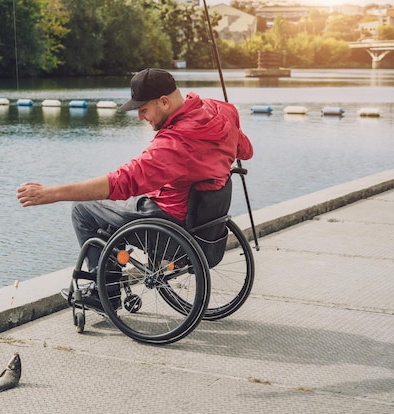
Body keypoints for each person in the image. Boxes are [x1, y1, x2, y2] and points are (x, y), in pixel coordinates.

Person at [16, 68, 253, 313]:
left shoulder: (173, 144)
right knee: (109, 215)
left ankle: (103, 292)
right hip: (205, 224)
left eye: (143, 109)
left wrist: (51, 194)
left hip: (169, 221)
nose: (140, 117)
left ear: (164, 102)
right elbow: (245, 151)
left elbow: (121, 183)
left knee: (82, 209)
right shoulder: (221, 111)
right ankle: (109, 273)